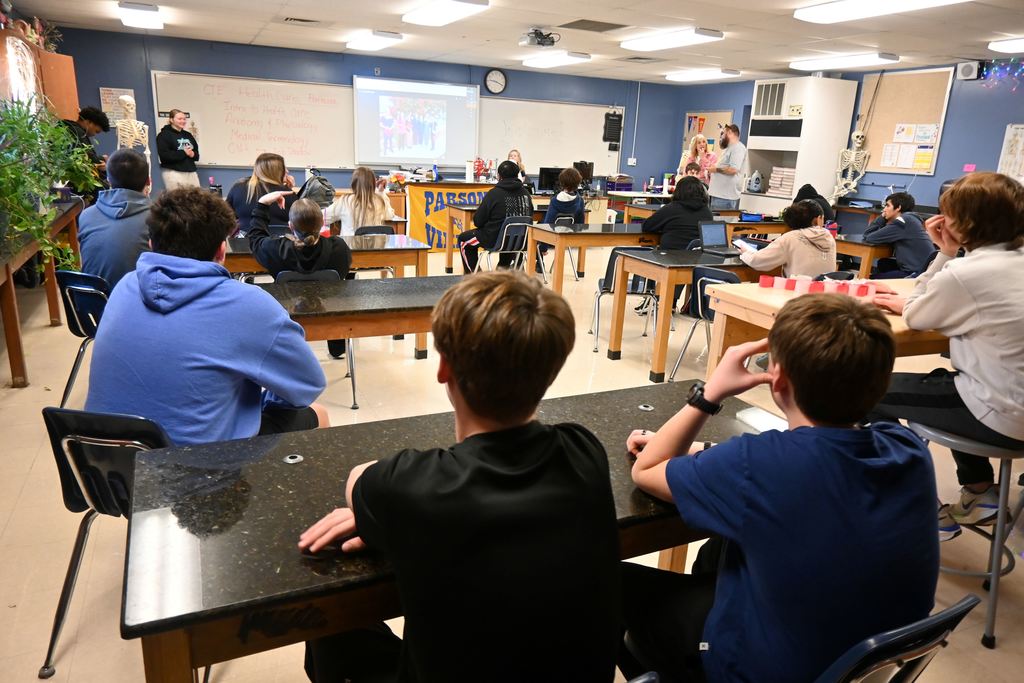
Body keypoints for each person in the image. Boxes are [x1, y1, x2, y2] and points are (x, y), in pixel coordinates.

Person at [299, 270, 621, 683]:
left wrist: (382, 513)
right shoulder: (585, 451)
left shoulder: (410, 485)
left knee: (331, 625)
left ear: (444, 368)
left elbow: (359, 479)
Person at [621, 293, 938, 683]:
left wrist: (710, 393)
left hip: (763, 670)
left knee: (607, 580)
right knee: (718, 551)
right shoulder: (909, 449)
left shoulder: (756, 467)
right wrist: (705, 452)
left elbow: (647, 469)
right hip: (859, 662)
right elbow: (794, 463)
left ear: (779, 380)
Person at [85, 187, 328, 446]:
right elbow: (308, 384)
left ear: (152, 245)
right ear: (222, 251)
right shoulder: (250, 304)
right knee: (318, 413)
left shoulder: (125, 285)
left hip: (103, 458)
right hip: (199, 464)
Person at [870, 172, 1024, 541]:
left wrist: (944, 253)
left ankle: (918, 503)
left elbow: (916, 314)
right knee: (944, 381)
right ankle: (980, 492)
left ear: (964, 222)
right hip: (1012, 405)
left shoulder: (967, 272)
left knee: (861, 392)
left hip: (1003, 415)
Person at [250, 190, 353, 359]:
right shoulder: (339, 249)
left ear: (291, 226)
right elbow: (344, 271)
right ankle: (336, 347)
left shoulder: (275, 249)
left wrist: (262, 204)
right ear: (322, 223)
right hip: (328, 307)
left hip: (286, 311)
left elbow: (255, 239)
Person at [77, 148, 151, 288]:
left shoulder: (86, 216)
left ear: (109, 180)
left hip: (93, 301)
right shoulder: (158, 218)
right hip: (137, 299)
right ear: (148, 180)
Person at [457, 160, 534, 271]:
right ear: (517, 174)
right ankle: (502, 268)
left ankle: (475, 276)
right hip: (520, 241)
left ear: (499, 176)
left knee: (463, 239)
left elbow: (478, 221)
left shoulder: (494, 194)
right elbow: (530, 215)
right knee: (509, 237)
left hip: (494, 239)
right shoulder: (526, 194)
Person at [735, 199, 836, 277]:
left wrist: (745, 253)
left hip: (798, 293)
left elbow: (758, 261)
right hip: (826, 294)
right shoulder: (829, 238)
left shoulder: (790, 238)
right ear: (818, 219)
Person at [863, 191, 936, 278]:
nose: (884, 209)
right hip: (925, 269)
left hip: (916, 273)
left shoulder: (902, 222)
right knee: (884, 263)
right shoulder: (911, 219)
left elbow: (869, 237)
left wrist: (882, 217)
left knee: (869, 280)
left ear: (898, 207)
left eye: (887, 206)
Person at [225, 153, 297, 235]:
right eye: (284, 168)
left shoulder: (238, 187)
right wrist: (289, 189)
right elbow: (297, 222)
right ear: (276, 171)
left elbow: (226, 216)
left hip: (244, 241)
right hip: (279, 241)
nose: (287, 171)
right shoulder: (287, 194)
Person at [641, 176, 713, 250]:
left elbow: (647, 226)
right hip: (696, 255)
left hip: (670, 254)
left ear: (678, 191)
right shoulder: (707, 212)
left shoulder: (671, 209)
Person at [324, 166, 396, 235]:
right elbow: (389, 216)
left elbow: (323, 218)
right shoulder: (379, 201)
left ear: (353, 183)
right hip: (375, 243)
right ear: (373, 184)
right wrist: (381, 192)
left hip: (350, 243)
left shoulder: (345, 201)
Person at [61, 106, 111, 197]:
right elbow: (90, 158)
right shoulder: (78, 133)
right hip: (74, 181)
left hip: (65, 179)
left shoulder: (65, 127)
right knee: (105, 191)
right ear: (88, 122)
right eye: (96, 131)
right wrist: (102, 159)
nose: (94, 134)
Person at [156, 109, 200, 190]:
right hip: (173, 173)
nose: (183, 121)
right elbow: (164, 156)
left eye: (184, 119)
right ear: (171, 120)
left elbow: (196, 155)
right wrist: (184, 153)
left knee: (197, 196)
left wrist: (192, 154)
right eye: (179, 119)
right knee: (178, 197)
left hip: (191, 172)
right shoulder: (163, 135)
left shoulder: (188, 135)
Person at [707, 124, 747, 211]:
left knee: (720, 220)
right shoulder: (729, 148)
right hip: (718, 195)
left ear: (730, 132)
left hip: (725, 197)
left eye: (723, 133)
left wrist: (715, 169)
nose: (721, 136)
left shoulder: (738, 148)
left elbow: (733, 170)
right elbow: (724, 166)